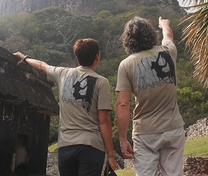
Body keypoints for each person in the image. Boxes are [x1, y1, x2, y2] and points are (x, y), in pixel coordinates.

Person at [14, 38, 118, 176]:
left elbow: (41, 65)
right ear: (97, 57)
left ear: (77, 57)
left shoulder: (63, 73)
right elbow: (103, 121)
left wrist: (24, 58)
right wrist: (110, 155)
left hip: (66, 146)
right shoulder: (101, 82)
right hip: (91, 146)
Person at [115, 16, 185, 176]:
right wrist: (164, 24)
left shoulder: (126, 65)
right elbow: (168, 36)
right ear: (151, 35)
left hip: (145, 132)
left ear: (128, 40)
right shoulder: (168, 53)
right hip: (173, 127)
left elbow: (123, 104)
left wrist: (122, 138)